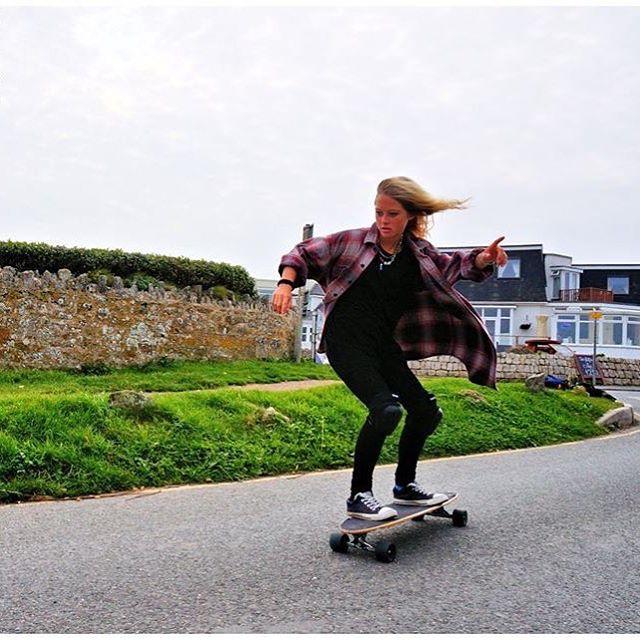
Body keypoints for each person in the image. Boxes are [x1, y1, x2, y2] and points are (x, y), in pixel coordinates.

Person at [272, 176, 507, 521]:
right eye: (379, 212)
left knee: (426, 411)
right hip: (345, 342)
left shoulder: (418, 254)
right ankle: (359, 495)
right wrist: (285, 283)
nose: (383, 221)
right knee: (385, 411)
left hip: (383, 345)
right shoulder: (351, 242)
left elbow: (455, 265)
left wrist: (485, 259)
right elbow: (303, 253)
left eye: (392, 214)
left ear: (410, 215)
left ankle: (405, 487)